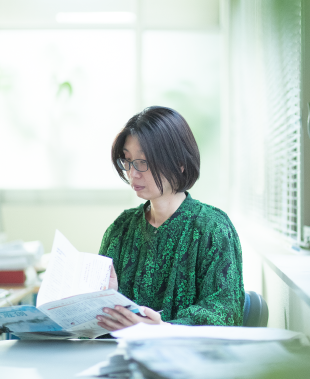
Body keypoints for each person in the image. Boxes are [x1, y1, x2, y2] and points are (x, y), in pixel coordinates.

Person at [95, 106, 245, 332]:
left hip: (187, 361)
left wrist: (164, 328)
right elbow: (104, 316)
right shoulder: (121, 229)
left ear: (179, 163)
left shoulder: (213, 228)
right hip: (122, 358)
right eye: (127, 161)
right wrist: (105, 296)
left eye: (142, 162)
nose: (132, 173)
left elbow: (225, 311)